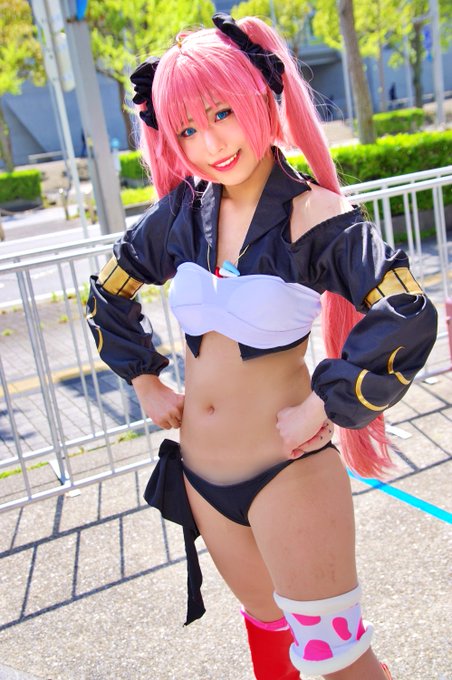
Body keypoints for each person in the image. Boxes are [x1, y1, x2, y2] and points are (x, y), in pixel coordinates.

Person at [87, 13, 437, 679]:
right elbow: (107, 292)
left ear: (261, 98)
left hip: (288, 474)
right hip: (201, 477)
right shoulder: (179, 217)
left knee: (341, 662)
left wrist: (325, 406)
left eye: (222, 113)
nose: (210, 142)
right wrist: (145, 380)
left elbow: (407, 312)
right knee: (271, 646)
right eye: (188, 128)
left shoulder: (316, 215)